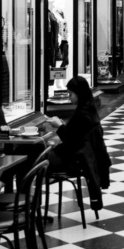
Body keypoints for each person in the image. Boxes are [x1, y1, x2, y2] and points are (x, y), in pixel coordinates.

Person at [47, 76, 111, 210]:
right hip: (81, 159)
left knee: (32, 157)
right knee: (35, 155)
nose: (69, 97)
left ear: (78, 93)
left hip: (74, 161)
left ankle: (27, 204)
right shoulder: (90, 111)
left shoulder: (83, 115)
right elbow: (77, 136)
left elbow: (72, 142)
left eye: (70, 94)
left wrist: (59, 126)